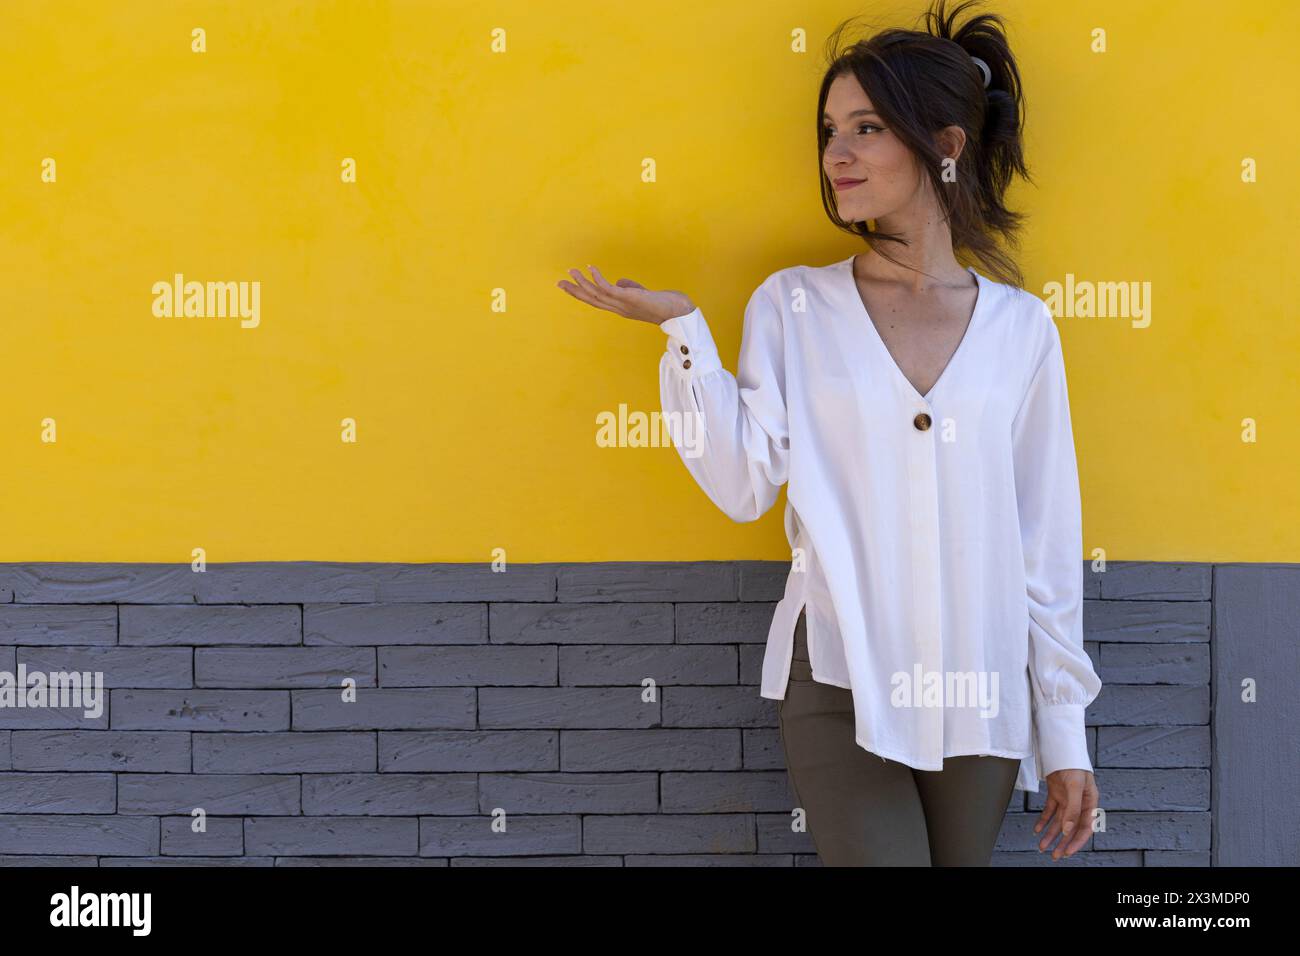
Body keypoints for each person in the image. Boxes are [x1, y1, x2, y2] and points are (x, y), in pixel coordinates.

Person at [556, 0, 1101, 866]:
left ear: (946, 145)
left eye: (867, 127)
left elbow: (1045, 544)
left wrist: (1065, 733)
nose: (835, 154)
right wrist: (687, 336)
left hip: (980, 686)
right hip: (840, 679)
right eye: (829, 130)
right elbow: (743, 485)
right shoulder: (794, 305)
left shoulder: (1022, 330)